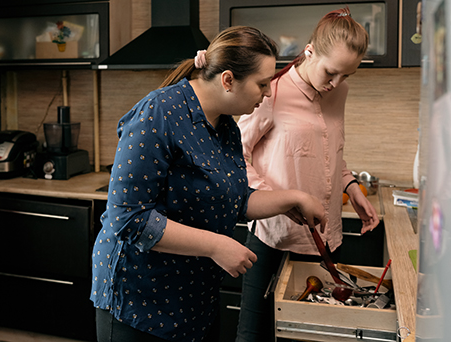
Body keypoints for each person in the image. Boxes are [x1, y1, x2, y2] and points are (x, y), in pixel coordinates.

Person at [90, 26, 328, 342]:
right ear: (228, 80)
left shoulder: (226, 126)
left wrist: (293, 198)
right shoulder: (158, 112)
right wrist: (216, 245)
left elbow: (235, 199)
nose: (268, 93)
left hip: (192, 300)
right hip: (139, 300)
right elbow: (130, 219)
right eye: (262, 84)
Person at [235, 8, 380, 342]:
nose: (337, 84)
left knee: (315, 335)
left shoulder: (337, 91)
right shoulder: (269, 91)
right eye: (332, 72)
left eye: (347, 76)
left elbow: (331, 153)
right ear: (310, 50)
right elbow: (235, 158)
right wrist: (278, 201)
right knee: (253, 335)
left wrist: (353, 187)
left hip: (328, 239)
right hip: (273, 239)